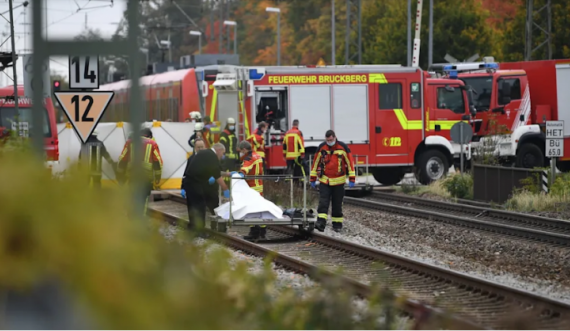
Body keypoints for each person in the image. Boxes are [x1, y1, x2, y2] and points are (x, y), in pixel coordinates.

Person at [309, 130, 356, 233]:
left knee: (337, 204)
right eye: (327, 140)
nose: (329, 142)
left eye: (331, 140)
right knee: (323, 202)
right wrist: (312, 178)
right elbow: (315, 163)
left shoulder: (343, 147)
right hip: (325, 181)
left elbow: (350, 163)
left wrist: (352, 178)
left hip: (339, 182)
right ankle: (321, 223)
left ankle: (337, 224)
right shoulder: (322, 147)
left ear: (335, 138)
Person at [182, 142, 230, 230]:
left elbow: (214, 171)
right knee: (199, 207)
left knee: (193, 207)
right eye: (223, 153)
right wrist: (225, 188)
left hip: (191, 183)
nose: (222, 156)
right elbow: (216, 174)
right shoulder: (211, 156)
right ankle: (199, 230)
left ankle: (192, 228)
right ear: (218, 150)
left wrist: (228, 174)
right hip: (194, 183)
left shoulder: (206, 153)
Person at [116, 127, 164, 216]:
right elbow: (158, 162)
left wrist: (120, 175)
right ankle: (140, 219)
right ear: (150, 136)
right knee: (143, 200)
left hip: (132, 176)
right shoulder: (153, 144)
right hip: (146, 178)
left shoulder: (130, 142)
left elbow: (122, 159)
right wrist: (157, 178)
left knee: (132, 197)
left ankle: (131, 218)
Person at [235, 140, 266, 240]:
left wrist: (240, 174)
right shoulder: (258, 155)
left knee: (250, 210)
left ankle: (254, 232)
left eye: (241, 151)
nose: (240, 153)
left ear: (244, 149)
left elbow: (245, 169)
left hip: (251, 187)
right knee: (260, 209)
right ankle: (262, 231)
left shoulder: (248, 158)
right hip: (259, 186)